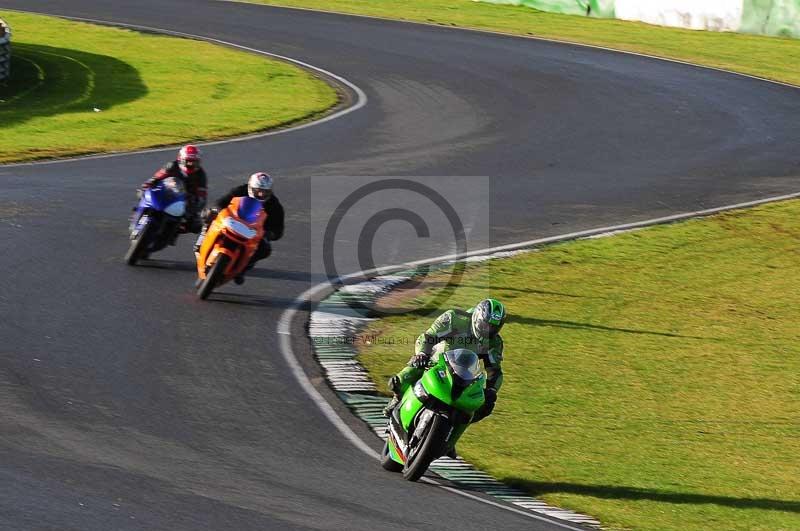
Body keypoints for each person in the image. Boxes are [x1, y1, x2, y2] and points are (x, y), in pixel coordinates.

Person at [383, 298, 507, 432]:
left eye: (494, 328)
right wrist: (422, 354)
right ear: (477, 318)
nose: (488, 331)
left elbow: (495, 371)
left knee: (484, 406)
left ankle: (452, 434)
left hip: (465, 376)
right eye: (485, 325)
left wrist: (492, 390)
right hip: (435, 363)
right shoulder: (454, 318)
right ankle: (397, 401)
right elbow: (428, 337)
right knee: (400, 380)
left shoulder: (495, 342)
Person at [194, 172, 284, 284]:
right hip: (232, 220)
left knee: (265, 250)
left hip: (252, 232)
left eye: (265, 191)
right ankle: (201, 240)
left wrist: (270, 234)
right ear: (251, 187)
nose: (261, 194)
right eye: (258, 190)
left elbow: (279, 229)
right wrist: (216, 209)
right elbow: (223, 200)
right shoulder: (241, 190)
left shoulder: (274, 204)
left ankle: (242, 269)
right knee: (208, 215)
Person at [140, 145, 207, 233]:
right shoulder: (172, 165)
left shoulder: (200, 174)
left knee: (196, 225)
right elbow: (158, 176)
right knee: (144, 192)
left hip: (185, 200)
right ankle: (140, 214)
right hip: (167, 192)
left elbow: (202, 195)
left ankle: (174, 230)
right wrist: (149, 183)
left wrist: (196, 206)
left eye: (194, 162)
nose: (191, 164)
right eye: (188, 161)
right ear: (181, 159)